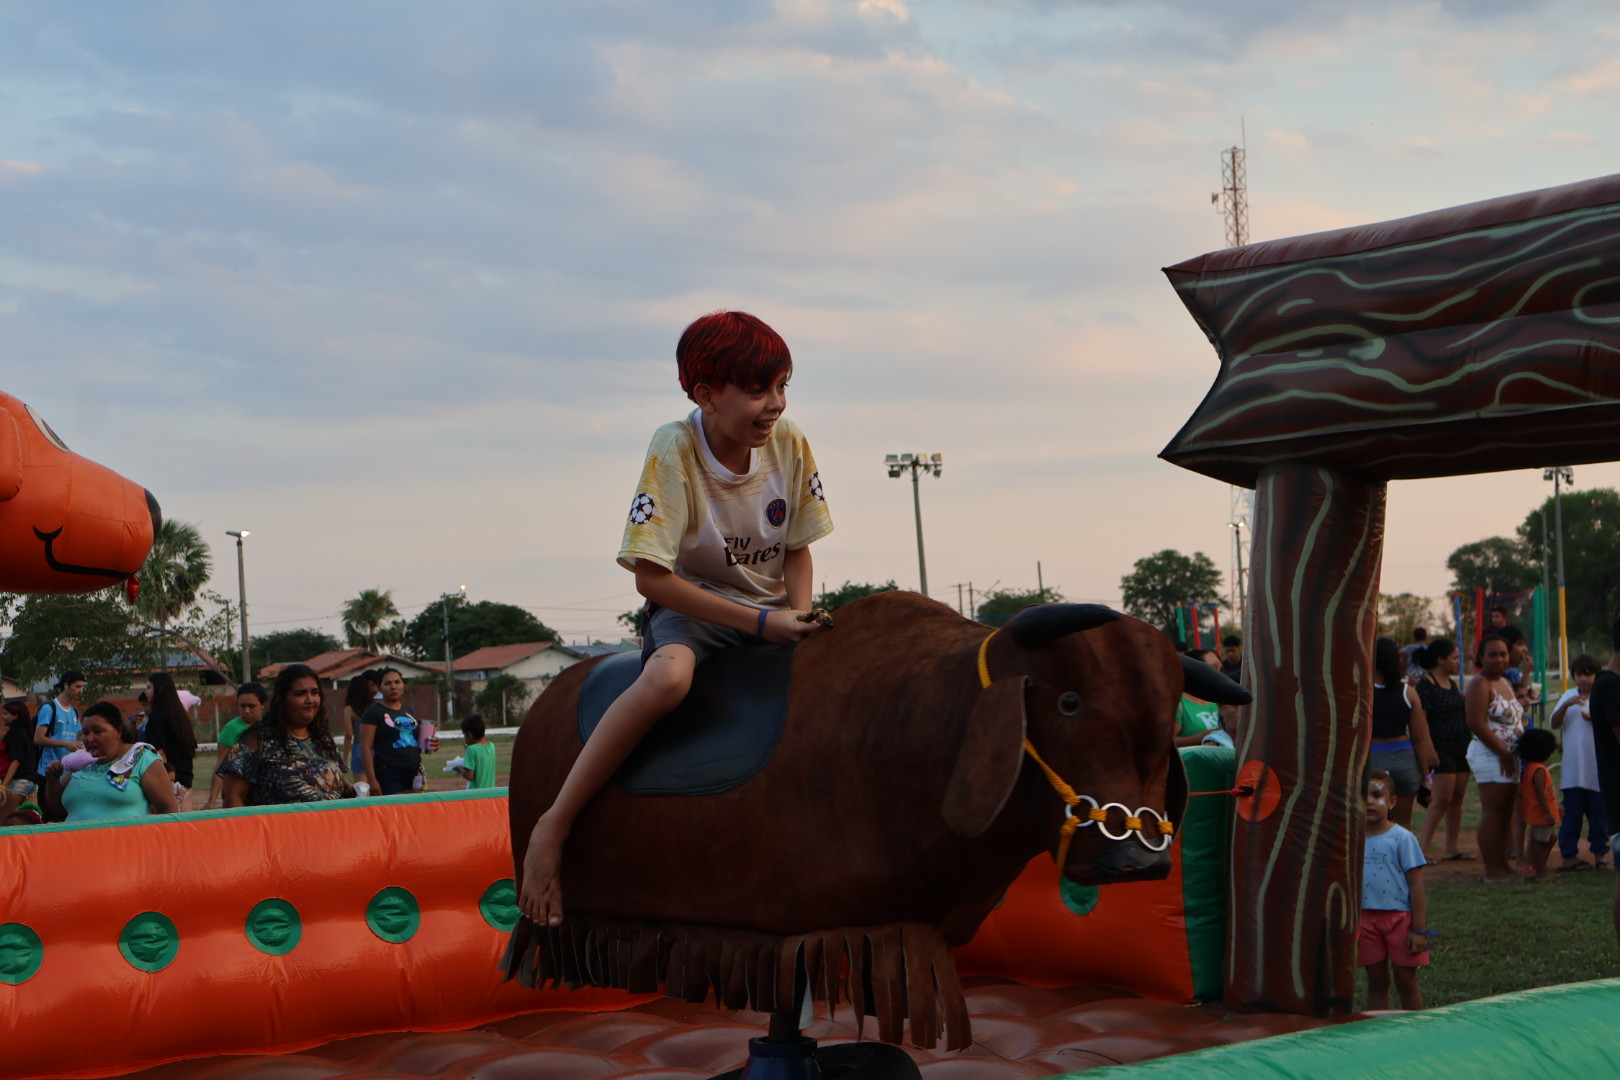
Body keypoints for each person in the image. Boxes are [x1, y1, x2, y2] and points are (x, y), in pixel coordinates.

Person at [519, 310, 834, 927]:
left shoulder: (789, 442)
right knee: (667, 681)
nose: (774, 404)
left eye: (782, 386)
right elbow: (650, 576)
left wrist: (795, 616)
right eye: (756, 390)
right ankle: (552, 827)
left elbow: (797, 546)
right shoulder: (674, 447)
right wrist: (758, 626)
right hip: (694, 608)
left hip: (771, 606)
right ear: (705, 395)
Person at [220, 665, 348, 806]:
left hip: (329, 826)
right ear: (282, 699)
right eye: (300, 693)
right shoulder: (257, 739)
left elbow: (340, 782)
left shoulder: (323, 739)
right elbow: (231, 795)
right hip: (276, 827)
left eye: (315, 692)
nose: (310, 700)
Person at [1359, 769, 1430, 1009]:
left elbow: (1416, 884)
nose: (1368, 801)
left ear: (1392, 802)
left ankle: (1417, 1030)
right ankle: (1377, 1034)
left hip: (1401, 920)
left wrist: (1418, 930)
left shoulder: (1402, 838)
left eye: (1376, 795)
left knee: (1405, 980)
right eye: (1362, 795)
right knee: (1376, 981)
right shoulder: (1352, 838)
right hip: (1364, 920)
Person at [40, 701, 179, 822]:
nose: (89, 738)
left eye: (98, 731)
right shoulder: (82, 763)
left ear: (118, 731)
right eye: (86, 733)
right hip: (76, 847)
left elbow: (169, 808)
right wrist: (53, 780)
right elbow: (57, 808)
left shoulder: (142, 758)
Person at [1466, 635, 1524, 883]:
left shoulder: (1505, 681)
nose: (1499, 659)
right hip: (1491, 756)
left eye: (1503, 654)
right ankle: (1493, 870)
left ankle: (1502, 865)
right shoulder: (1479, 684)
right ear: (1481, 658)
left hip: (1509, 757)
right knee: (1494, 810)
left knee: (1505, 811)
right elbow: (1476, 723)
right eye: (1493, 654)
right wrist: (1502, 752)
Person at [1369, 637, 1439, 829]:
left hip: (1374, 759)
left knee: (1373, 825)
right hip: (1404, 760)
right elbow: (1419, 737)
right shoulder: (1408, 692)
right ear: (1397, 659)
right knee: (1402, 825)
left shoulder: (1362, 691)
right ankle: (1403, 859)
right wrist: (1426, 778)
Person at [1414, 638, 1472, 861]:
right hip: (1440, 748)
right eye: (1455, 657)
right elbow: (1421, 721)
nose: (1459, 662)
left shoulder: (1452, 683)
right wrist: (1429, 751)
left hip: (1461, 747)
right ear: (1440, 659)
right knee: (1441, 800)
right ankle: (1423, 849)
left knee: (1457, 799)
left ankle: (1452, 848)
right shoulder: (1426, 685)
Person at [1552, 655, 1609, 871]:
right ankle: (1569, 856)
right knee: (1571, 815)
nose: (1583, 679)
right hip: (1573, 770)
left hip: (1597, 768)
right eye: (1579, 674)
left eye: (1588, 674)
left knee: (1599, 815)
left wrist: (1596, 717)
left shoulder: (1603, 696)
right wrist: (1566, 705)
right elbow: (1555, 724)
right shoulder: (1569, 696)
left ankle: (1600, 856)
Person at [359, 668, 424, 795]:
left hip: (414, 771)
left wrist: (431, 743)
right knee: (396, 812)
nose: (393, 687)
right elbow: (365, 747)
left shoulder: (408, 710)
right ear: (379, 688)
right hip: (389, 774)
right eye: (387, 683)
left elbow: (416, 740)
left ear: (403, 685)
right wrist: (372, 781)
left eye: (397, 682)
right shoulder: (373, 711)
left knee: (415, 811)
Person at [142, 672, 199, 809]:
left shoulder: (156, 717)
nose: (145, 692)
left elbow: (160, 753)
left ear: (160, 689)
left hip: (169, 780)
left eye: (149, 687)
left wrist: (164, 782)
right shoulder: (180, 716)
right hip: (186, 779)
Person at [206, 682, 267, 809]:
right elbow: (221, 765)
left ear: (262, 705)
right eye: (242, 706)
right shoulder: (232, 729)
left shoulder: (270, 728)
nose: (246, 711)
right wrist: (211, 801)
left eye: (251, 706)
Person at [1516, 727, 1561, 883]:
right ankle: (1541, 872)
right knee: (1542, 843)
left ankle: (1539, 867)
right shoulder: (1539, 770)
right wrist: (1548, 812)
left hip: (1540, 812)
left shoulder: (1530, 768)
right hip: (1541, 814)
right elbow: (1541, 794)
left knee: (1550, 838)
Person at [31, 670, 85, 784]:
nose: (81, 691)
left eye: (82, 687)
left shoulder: (73, 712)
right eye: (78, 687)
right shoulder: (49, 708)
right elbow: (38, 739)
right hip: (49, 771)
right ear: (66, 685)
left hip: (68, 772)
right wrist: (65, 744)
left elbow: (78, 737)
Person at [1175, 649, 1224, 747]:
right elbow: (1167, 743)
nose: (1219, 674)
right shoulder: (1178, 704)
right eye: (1213, 669)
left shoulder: (1221, 699)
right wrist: (1200, 738)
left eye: (1220, 669)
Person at [341, 672, 380, 777]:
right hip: (375, 747)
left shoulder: (349, 709)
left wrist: (344, 758)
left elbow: (349, 735)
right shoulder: (375, 707)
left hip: (360, 747)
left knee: (361, 788)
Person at [445, 714, 496, 789]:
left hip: (476, 793)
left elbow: (469, 776)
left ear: (469, 734)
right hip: (490, 792)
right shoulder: (492, 746)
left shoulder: (471, 750)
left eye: (465, 735)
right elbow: (481, 754)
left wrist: (459, 769)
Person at [1, 701, 37, 793]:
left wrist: (3, 786)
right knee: (28, 808)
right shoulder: (26, 732)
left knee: (7, 808)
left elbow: (16, 761)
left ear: (16, 716)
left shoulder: (15, 732)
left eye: (5, 714)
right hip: (32, 782)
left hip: (19, 782)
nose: (2, 717)